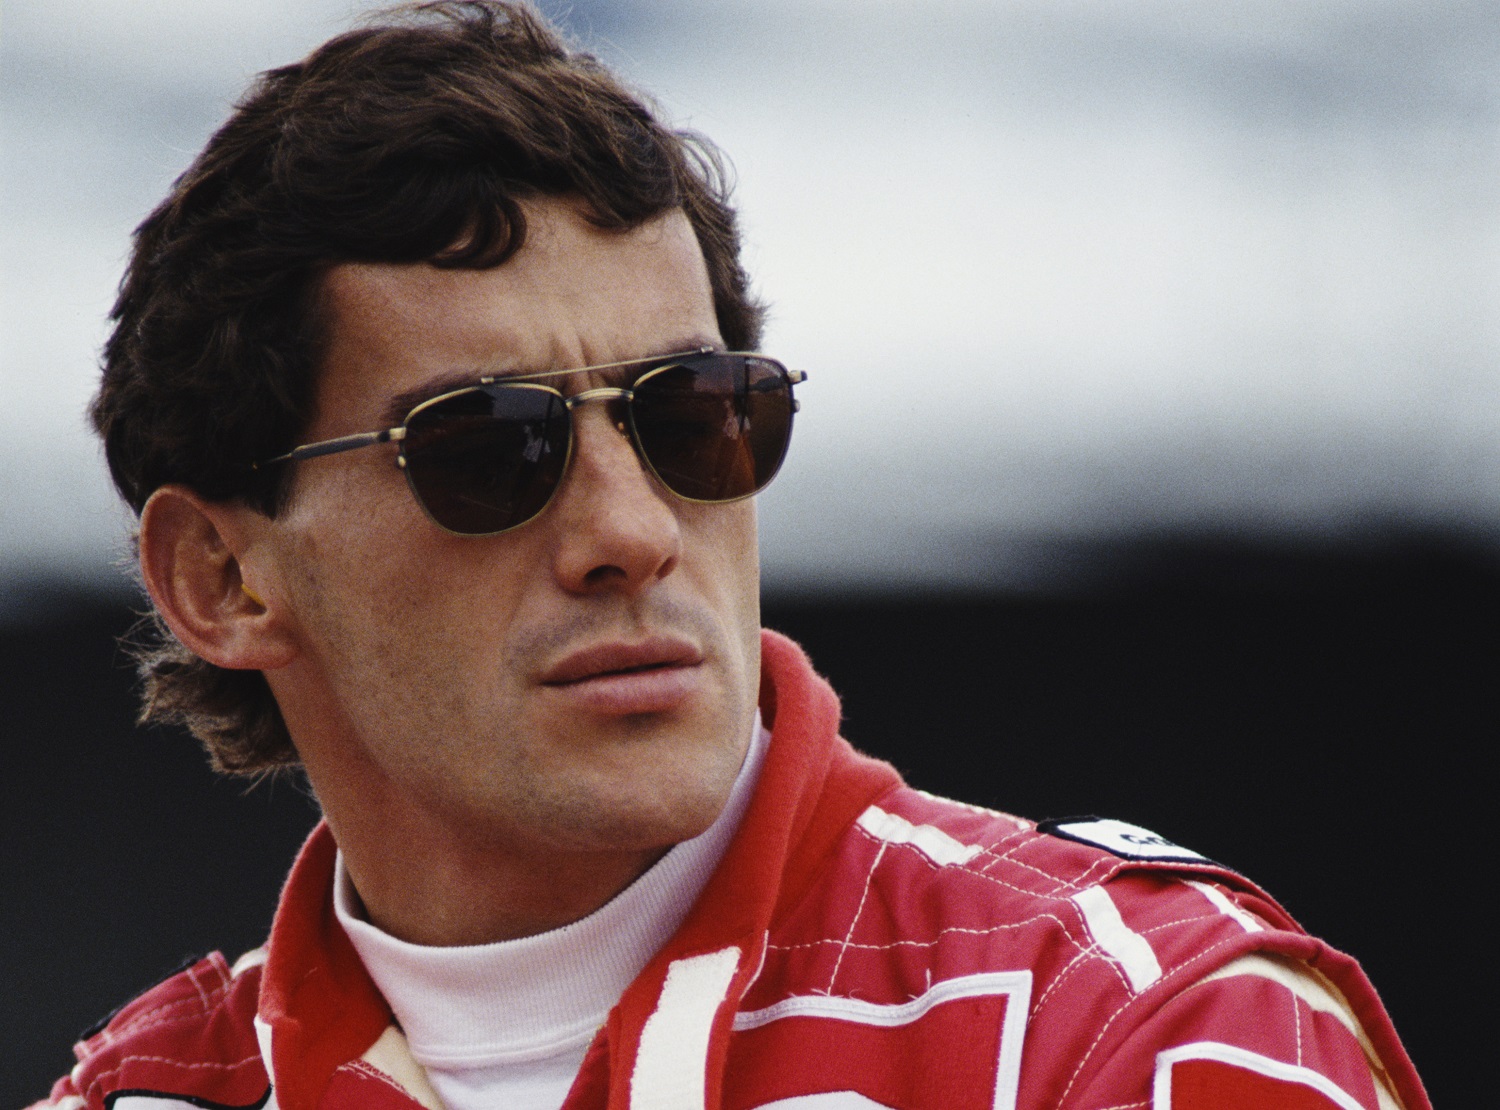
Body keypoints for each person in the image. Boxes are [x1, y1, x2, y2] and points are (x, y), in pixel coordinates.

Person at [35, 3, 1428, 1109]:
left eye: (694, 420)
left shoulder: (1144, 1030)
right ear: (221, 578)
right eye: (489, 449)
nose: (633, 532)